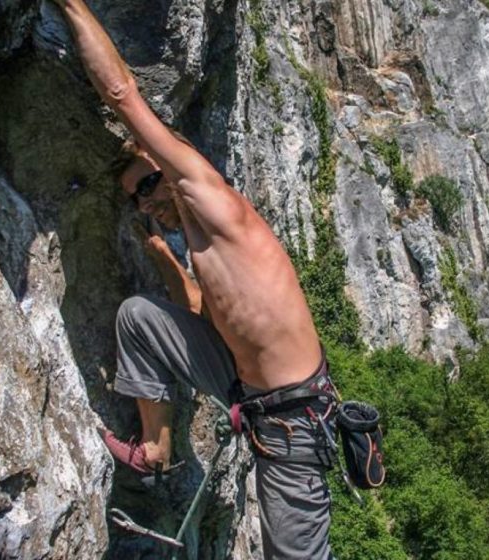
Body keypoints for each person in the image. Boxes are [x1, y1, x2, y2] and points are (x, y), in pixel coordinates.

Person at [52, 1, 337, 558]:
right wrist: (161, 253)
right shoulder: (200, 244)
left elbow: (122, 95)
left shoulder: (212, 199)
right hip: (250, 390)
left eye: (150, 183)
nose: (145, 200)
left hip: (292, 420)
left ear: (177, 169)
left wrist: (72, 8)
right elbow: (205, 317)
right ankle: (155, 450)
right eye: (136, 197)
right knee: (138, 318)